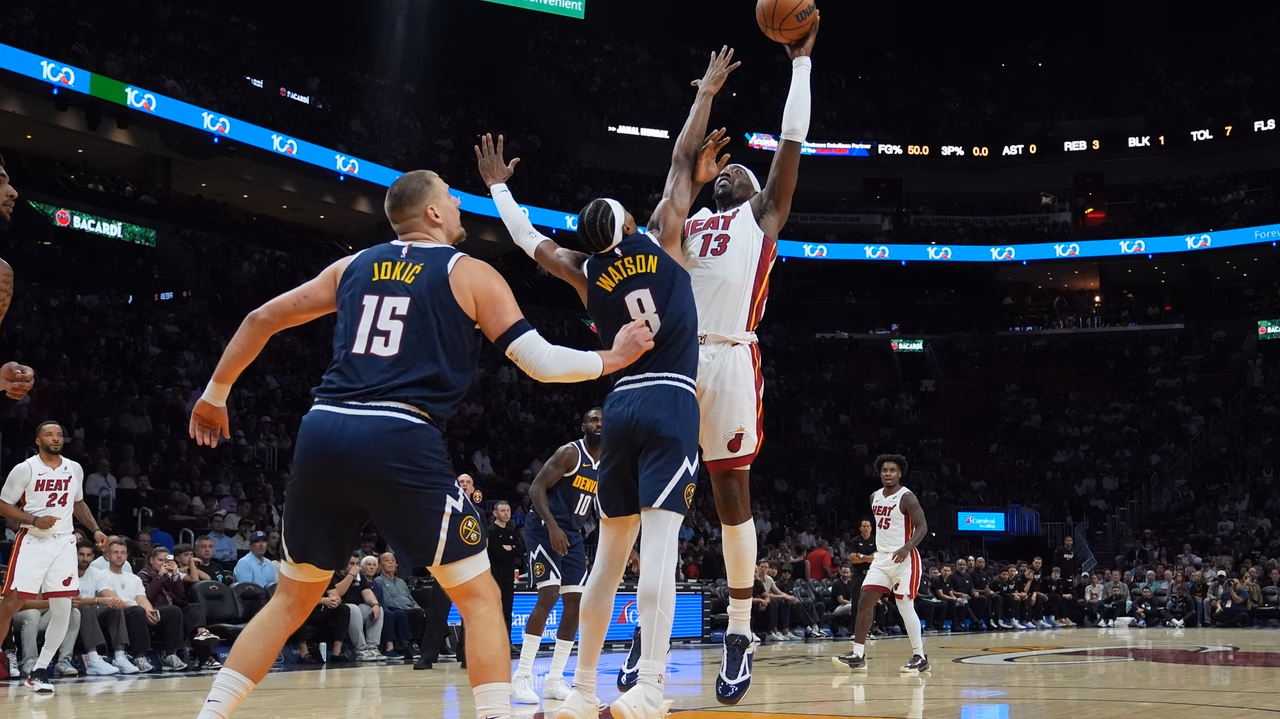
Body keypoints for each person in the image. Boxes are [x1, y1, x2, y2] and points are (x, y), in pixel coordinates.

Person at [187, 165, 652, 719]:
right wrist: (613, 358)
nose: (458, 206)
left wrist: (215, 393)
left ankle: (211, 714)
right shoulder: (468, 272)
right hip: (398, 433)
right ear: (432, 212)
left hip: (325, 430)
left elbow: (262, 317)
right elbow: (541, 362)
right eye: (452, 199)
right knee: (479, 598)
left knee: (292, 598)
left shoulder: (351, 265)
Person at [479, 47, 738, 719]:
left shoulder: (585, 269)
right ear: (628, 222)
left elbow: (530, 241)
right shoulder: (662, 234)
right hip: (673, 400)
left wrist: (499, 188)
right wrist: (705, 90)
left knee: (607, 560)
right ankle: (650, 686)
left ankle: (583, 690)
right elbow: (683, 161)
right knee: (660, 549)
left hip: (618, 406)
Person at [0, 421, 108, 693]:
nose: (56, 438)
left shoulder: (75, 468)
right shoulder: (25, 469)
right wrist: (33, 519)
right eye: (49, 434)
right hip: (33, 541)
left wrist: (94, 529)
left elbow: (78, 503)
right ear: (38, 440)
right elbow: (3, 504)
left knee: (64, 609)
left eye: (59, 434)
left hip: (63, 544)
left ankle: (39, 670)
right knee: (11, 603)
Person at [513, 408, 601, 704]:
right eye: (593, 420)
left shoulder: (606, 462)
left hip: (573, 534)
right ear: (583, 425)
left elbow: (603, 508)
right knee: (548, 596)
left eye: (604, 421)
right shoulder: (570, 453)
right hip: (543, 527)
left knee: (576, 603)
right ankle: (522, 676)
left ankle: (554, 679)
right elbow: (535, 488)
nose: (599, 424)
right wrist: (552, 526)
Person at [833, 454, 929, 675]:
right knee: (864, 601)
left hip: (905, 559)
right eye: (884, 470)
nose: (888, 473)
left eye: (892, 470)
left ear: (900, 473)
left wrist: (906, 547)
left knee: (905, 605)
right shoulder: (874, 496)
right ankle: (858, 655)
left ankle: (920, 656)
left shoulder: (907, 497)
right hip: (882, 558)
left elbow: (922, 526)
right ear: (880, 473)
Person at [487, 500, 520, 639]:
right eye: (502, 511)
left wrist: (510, 548)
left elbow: (520, 551)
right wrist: (511, 549)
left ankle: (507, 641)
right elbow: (497, 552)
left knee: (508, 610)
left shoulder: (512, 531)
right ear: (495, 513)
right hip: (494, 576)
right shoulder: (490, 531)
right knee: (495, 611)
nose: (506, 513)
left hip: (508, 576)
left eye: (508, 510)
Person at [848, 520, 876, 588]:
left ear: (871, 528)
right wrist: (869, 557)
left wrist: (861, 556)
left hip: (872, 573)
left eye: (867, 526)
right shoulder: (854, 541)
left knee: (871, 597)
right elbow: (853, 559)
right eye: (864, 526)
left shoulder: (875, 540)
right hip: (858, 573)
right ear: (860, 528)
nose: (866, 528)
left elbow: (876, 559)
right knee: (856, 597)